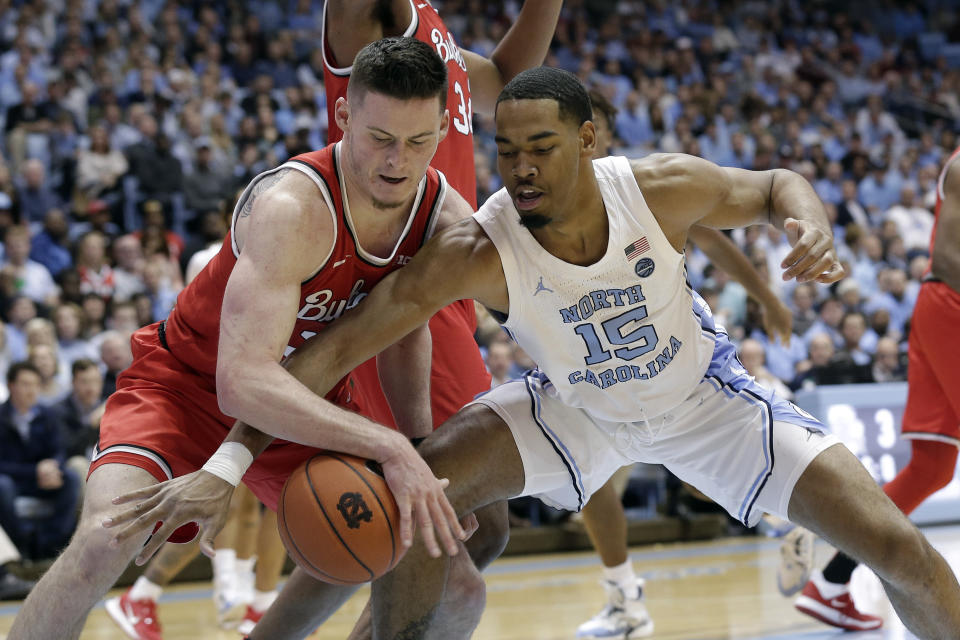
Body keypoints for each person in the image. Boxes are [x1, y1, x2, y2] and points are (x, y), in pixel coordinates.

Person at [112, 68, 960, 640]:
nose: (518, 168)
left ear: (589, 139)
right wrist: (227, 466)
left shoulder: (658, 187)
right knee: (415, 495)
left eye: (540, 148)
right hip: (574, 410)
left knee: (902, 554)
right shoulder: (476, 250)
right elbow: (326, 355)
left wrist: (803, 221)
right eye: (506, 149)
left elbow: (773, 183)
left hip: (710, 404)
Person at [107, 2, 564, 636]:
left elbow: (508, 76)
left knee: (418, 526)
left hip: (438, 258)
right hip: (392, 267)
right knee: (449, 523)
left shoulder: (435, 30)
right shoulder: (374, 16)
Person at [7, 38, 471, 640]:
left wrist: (417, 449)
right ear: (344, 117)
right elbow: (242, 381)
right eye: (381, 138)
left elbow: (408, 336)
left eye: (418, 141)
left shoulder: (440, 215)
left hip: (306, 402)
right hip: (187, 385)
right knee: (104, 540)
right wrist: (391, 447)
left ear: (442, 128)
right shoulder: (294, 208)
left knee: (398, 552)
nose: (397, 162)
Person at [576, 90, 794, 640]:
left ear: (599, 134)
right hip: (606, 362)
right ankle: (625, 597)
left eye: (593, 126)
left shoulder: (639, 189)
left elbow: (716, 242)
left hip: (676, 349)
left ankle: (790, 521)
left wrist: (766, 298)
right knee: (593, 484)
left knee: (704, 482)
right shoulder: (540, 202)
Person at [792, 145, 960, 631]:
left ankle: (829, 583)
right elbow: (949, 258)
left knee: (930, 468)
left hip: (938, 309)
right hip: (950, 302)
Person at [0, 362, 80, 560]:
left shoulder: (47, 414)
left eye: (35, 384)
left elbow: (59, 450)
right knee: (3, 486)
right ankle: (22, 545)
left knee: (71, 477)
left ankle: (52, 543)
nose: (31, 390)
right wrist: (35, 470)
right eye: (25, 384)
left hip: (42, 478)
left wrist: (53, 466)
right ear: (11, 385)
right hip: (14, 479)